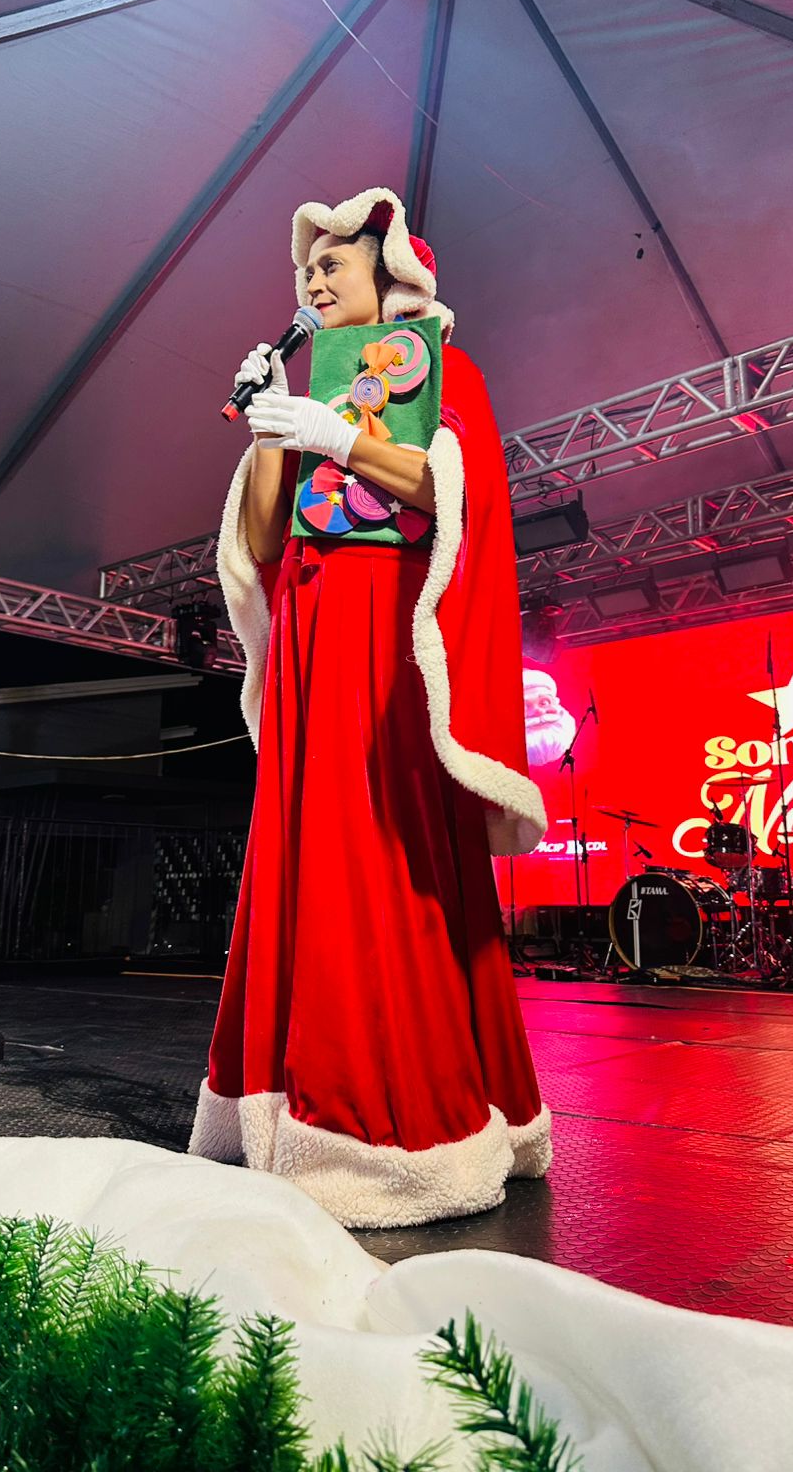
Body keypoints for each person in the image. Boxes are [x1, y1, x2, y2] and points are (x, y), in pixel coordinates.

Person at [188, 188, 551, 1228]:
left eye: (332, 265)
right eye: (306, 270)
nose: (312, 281)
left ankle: (390, 1134)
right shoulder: (312, 386)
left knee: (377, 846)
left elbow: (452, 495)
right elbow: (267, 541)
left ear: (387, 274)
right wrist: (276, 427)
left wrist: (337, 437)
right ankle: (282, 1109)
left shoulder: (444, 370)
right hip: (314, 633)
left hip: (381, 636)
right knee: (305, 851)